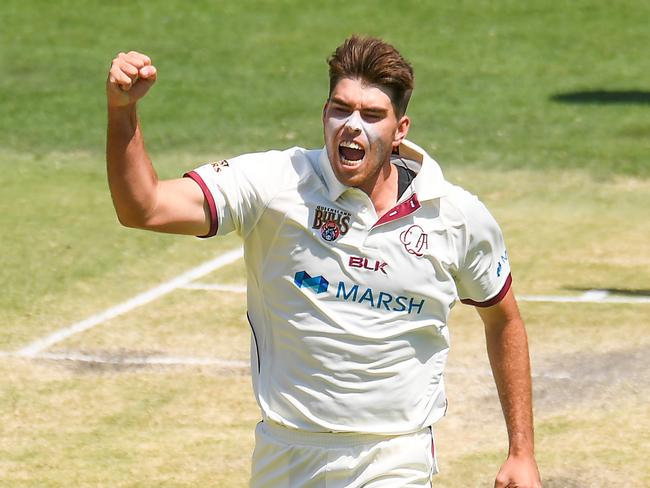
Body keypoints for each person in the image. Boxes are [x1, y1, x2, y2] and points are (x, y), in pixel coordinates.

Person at [106, 35, 541, 487]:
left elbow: (503, 320)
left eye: (372, 115)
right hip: (286, 453)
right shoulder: (276, 183)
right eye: (340, 109)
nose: (352, 126)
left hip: (393, 455)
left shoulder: (454, 216)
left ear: (400, 129)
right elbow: (145, 207)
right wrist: (122, 112)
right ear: (324, 114)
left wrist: (521, 452)